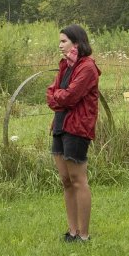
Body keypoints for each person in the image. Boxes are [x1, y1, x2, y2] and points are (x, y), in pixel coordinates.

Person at [46, 23, 100, 242]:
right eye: (59, 41)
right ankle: (72, 231)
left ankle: (84, 234)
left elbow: (70, 96)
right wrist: (57, 96)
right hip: (60, 124)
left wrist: (57, 97)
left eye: (63, 41)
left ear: (76, 43)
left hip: (77, 126)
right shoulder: (65, 66)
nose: (60, 45)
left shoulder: (87, 67)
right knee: (66, 179)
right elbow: (52, 91)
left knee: (78, 179)